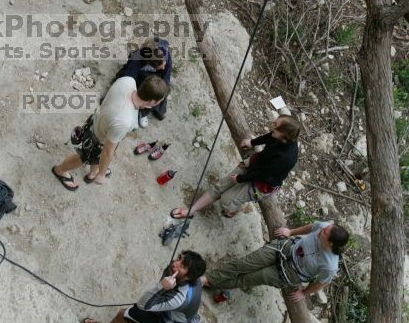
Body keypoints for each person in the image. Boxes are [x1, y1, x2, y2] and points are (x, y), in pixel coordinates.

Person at [51, 74, 169, 190]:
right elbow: (107, 151)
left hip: (97, 120)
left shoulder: (128, 81)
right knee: (82, 157)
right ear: (152, 102)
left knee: (96, 158)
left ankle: (93, 172)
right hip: (98, 139)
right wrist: (102, 175)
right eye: (160, 101)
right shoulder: (124, 121)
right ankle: (60, 170)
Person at [170, 115, 302, 219]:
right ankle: (190, 211)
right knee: (220, 186)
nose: (272, 124)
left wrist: (240, 179)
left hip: (263, 182)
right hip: (259, 163)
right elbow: (269, 137)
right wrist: (252, 142)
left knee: (227, 201)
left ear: (284, 134)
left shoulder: (286, 157)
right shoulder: (279, 135)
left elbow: (263, 174)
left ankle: (232, 209)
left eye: (276, 125)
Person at [202, 221, 349, 302]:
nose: (321, 230)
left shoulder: (330, 265)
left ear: (330, 243)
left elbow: (321, 283)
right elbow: (312, 226)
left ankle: (211, 282)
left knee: (248, 278)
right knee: (244, 263)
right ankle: (206, 279)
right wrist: (290, 232)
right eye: (325, 228)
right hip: (287, 248)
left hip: (291, 273)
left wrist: (304, 293)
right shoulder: (323, 227)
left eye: (324, 233)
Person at [80, 251, 207, 323]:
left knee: (124, 314)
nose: (175, 264)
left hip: (166, 319)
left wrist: (161, 287)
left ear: (189, 277)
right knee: (140, 317)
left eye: (183, 266)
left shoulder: (178, 299)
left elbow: (142, 306)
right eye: (179, 258)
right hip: (174, 311)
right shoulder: (189, 279)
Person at [114, 37, 172, 126]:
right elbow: (129, 78)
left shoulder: (165, 56)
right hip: (141, 73)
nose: (164, 67)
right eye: (161, 66)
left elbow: (166, 79)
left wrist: (159, 93)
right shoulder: (138, 58)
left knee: (159, 92)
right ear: (151, 64)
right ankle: (133, 108)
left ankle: (142, 113)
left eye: (164, 64)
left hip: (155, 76)